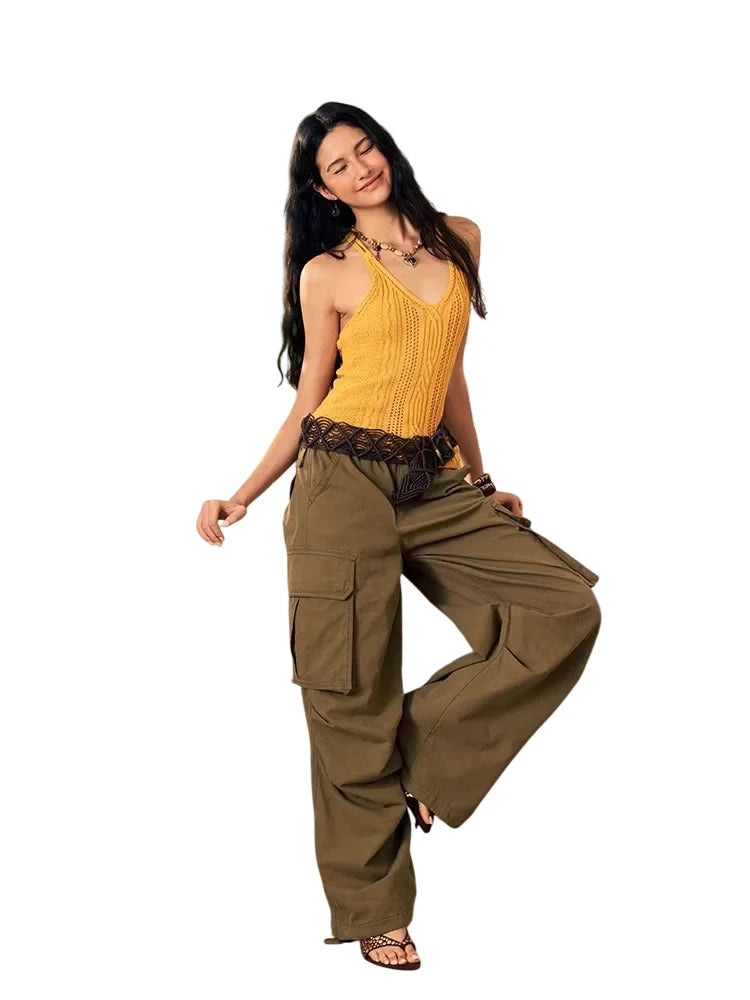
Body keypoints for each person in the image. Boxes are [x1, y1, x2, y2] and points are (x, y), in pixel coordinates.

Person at [196, 102, 602, 971]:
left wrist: (481, 479)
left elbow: (450, 373)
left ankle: (421, 760)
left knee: (564, 608)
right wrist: (243, 494)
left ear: (385, 148)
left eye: (365, 149)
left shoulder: (460, 238)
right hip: (340, 483)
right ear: (323, 191)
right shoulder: (327, 273)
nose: (360, 169)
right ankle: (376, 912)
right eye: (337, 166)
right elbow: (310, 401)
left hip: (431, 478)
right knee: (349, 694)